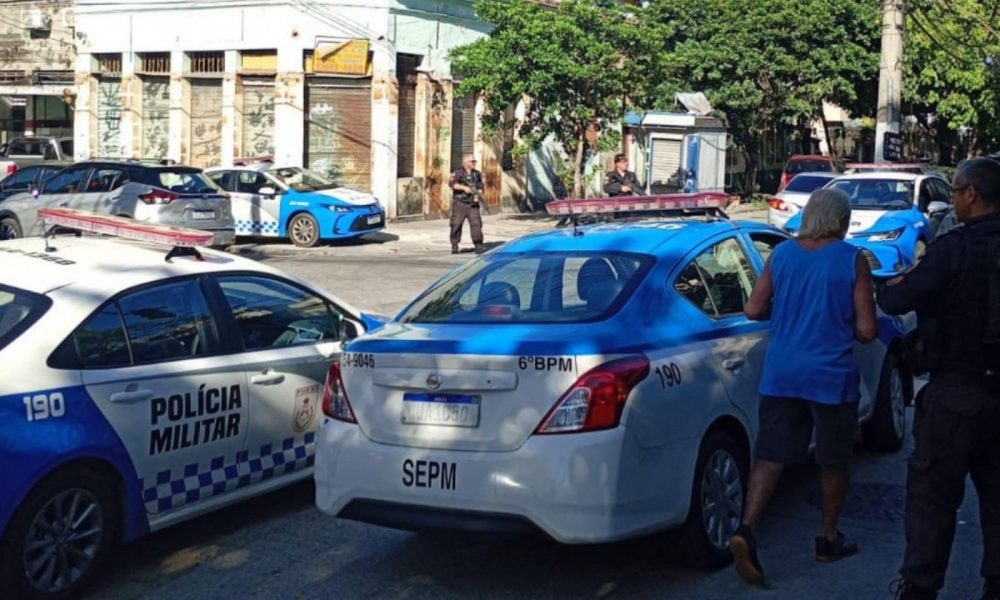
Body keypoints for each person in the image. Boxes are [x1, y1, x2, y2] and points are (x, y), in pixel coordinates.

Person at [731, 188, 878, 586]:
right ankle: (827, 539)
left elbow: (753, 309)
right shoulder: (852, 260)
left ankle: (747, 528)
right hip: (830, 378)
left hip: (781, 373)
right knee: (832, 461)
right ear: (842, 221)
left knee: (770, 455)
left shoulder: (781, 255)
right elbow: (867, 329)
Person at [878, 158, 1000, 600]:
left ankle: (921, 586)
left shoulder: (953, 249)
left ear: (971, 195)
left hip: (956, 392)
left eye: (955, 189)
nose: (952, 198)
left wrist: (880, 284)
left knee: (932, 498)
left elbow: (896, 299)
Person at [448, 154, 484, 254]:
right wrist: (464, 188)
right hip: (460, 203)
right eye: (472, 162)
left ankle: (478, 245)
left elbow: (480, 185)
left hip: (473, 204)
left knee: (476, 224)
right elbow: (452, 184)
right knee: (456, 224)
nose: (474, 163)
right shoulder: (458, 173)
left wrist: (479, 191)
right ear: (466, 163)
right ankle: (454, 245)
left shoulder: (476, 174)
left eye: (474, 161)